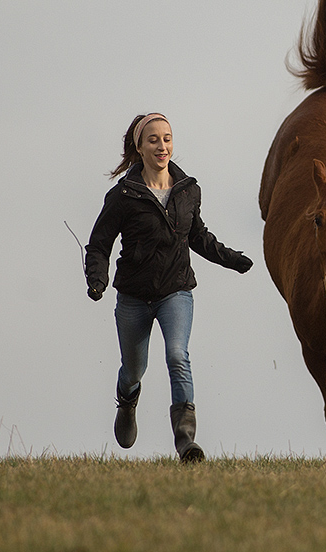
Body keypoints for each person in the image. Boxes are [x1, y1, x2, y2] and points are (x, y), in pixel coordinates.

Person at [84, 112, 253, 462]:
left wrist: (231, 259)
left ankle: (185, 440)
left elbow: (198, 237)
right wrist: (97, 279)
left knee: (178, 355)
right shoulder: (123, 195)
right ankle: (127, 401)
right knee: (134, 369)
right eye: (154, 140)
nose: (162, 146)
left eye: (167, 139)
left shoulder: (187, 191)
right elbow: (100, 242)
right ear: (139, 147)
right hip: (133, 296)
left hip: (176, 291)